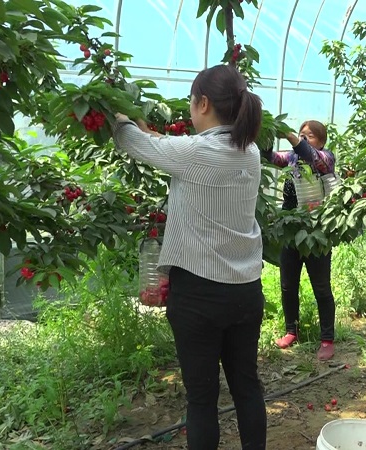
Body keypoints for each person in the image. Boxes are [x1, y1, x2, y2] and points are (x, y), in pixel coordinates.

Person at [112, 64, 267, 449]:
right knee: (247, 387)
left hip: (199, 296)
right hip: (246, 291)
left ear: (203, 103)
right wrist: (151, 131)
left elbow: (136, 143)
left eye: (191, 103)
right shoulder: (250, 152)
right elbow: (168, 148)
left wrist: (116, 115)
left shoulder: (196, 152)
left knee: (202, 401)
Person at [262, 121, 337, 361]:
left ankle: (327, 339)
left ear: (322, 141)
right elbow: (272, 157)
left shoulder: (325, 158)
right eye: (302, 134)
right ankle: (291, 331)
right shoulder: (292, 159)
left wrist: (292, 137)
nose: (304, 139)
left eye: (310, 136)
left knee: (321, 287)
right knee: (287, 284)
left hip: (317, 233)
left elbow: (312, 156)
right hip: (291, 231)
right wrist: (264, 133)